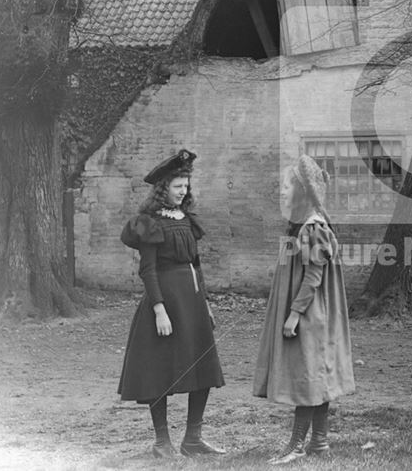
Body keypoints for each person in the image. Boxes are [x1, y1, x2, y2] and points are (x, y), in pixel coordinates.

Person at [117, 149, 226, 458]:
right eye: (178, 186)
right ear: (163, 188)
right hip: (165, 304)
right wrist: (159, 309)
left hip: (191, 303)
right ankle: (162, 441)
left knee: (201, 367)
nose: (183, 192)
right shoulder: (149, 222)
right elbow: (147, 270)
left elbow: (196, 265)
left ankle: (193, 438)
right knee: (159, 371)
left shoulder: (187, 220)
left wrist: (205, 304)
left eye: (186, 186)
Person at [253, 155, 356, 465]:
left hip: (311, 313)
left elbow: (313, 276)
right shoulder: (296, 225)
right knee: (316, 375)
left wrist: (295, 313)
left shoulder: (313, 227)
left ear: (301, 189)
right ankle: (320, 442)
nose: (282, 191)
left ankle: (296, 445)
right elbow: (289, 266)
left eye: (286, 186)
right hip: (308, 309)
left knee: (309, 375)